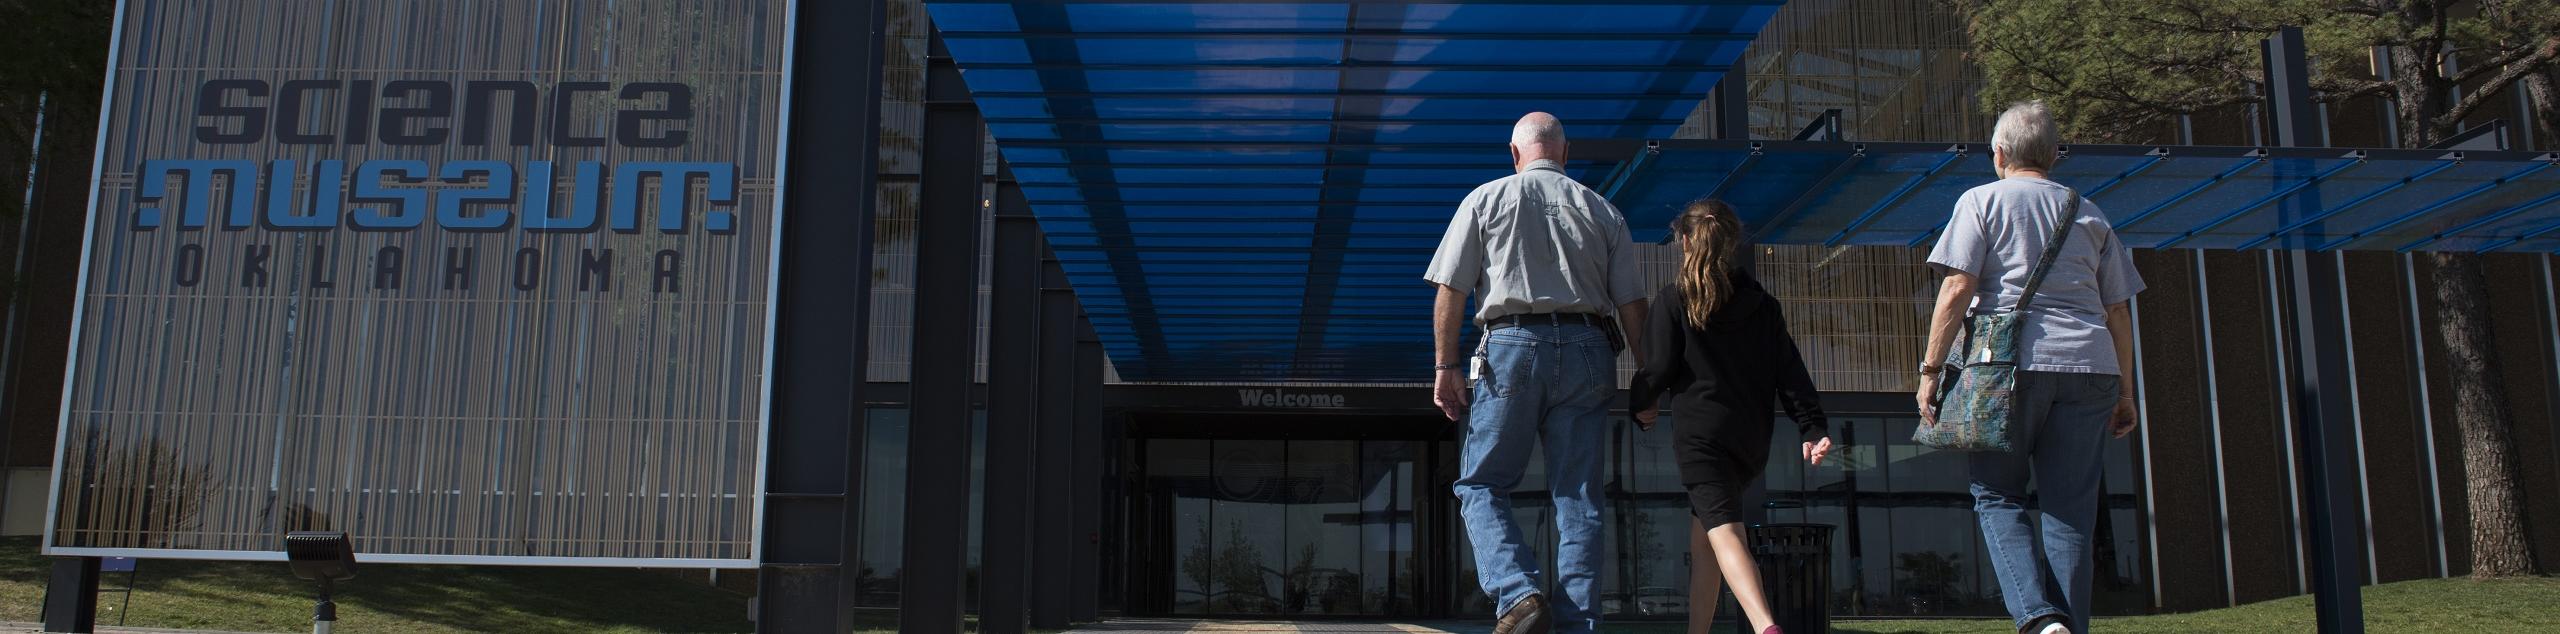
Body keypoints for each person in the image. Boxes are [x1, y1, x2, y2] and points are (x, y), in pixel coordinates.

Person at [1917, 101, 2144, 634]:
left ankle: (2040, 621)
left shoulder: (1980, 202)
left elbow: (1957, 287)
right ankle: (2069, 628)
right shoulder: (2089, 213)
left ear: (1999, 153)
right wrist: (2127, 392)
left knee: (1997, 494)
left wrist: (1930, 371)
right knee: (2071, 512)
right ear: (2053, 155)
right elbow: (2117, 310)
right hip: (2092, 368)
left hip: (2007, 368)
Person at [1424, 112, 1649, 634]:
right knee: (1578, 495)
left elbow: (1451, 290)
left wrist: (1446, 365)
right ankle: (1577, 625)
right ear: (1564, 155)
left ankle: (1517, 593)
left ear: (1515, 152)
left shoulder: (1485, 199)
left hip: (1513, 344)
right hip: (1592, 348)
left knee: (1481, 484)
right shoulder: (1603, 211)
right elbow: (1633, 306)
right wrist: (1648, 381)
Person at [1627, 199, 1831, 634]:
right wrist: (1811, 425)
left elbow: (1657, 368)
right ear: (1733, 242)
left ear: (1684, 240)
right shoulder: (1763, 305)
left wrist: (1639, 402)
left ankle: (1765, 627)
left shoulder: (1674, 300)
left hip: (1702, 441)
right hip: (1749, 440)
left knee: (1726, 536)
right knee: (1706, 547)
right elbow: (1789, 371)